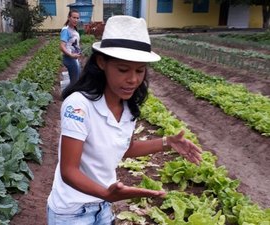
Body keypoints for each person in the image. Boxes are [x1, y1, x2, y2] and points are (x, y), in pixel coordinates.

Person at [47, 15, 202, 225]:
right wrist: (106, 193)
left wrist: (167, 143)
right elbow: (69, 171)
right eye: (123, 70)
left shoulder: (128, 105)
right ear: (102, 62)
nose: (133, 79)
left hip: (103, 207)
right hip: (72, 212)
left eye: (140, 70)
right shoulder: (79, 105)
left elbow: (124, 148)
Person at [60, 9, 82, 86]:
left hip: (73, 58)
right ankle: (66, 95)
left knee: (77, 79)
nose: (76, 20)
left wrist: (78, 51)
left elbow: (73, 44)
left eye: (77, 18)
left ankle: (69, 94)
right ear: (69, 17)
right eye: (74, 17)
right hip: (69, 59)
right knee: (75, 82)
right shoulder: (66, 30)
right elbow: (62, 46)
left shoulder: (73, 29)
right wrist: (71, 55)